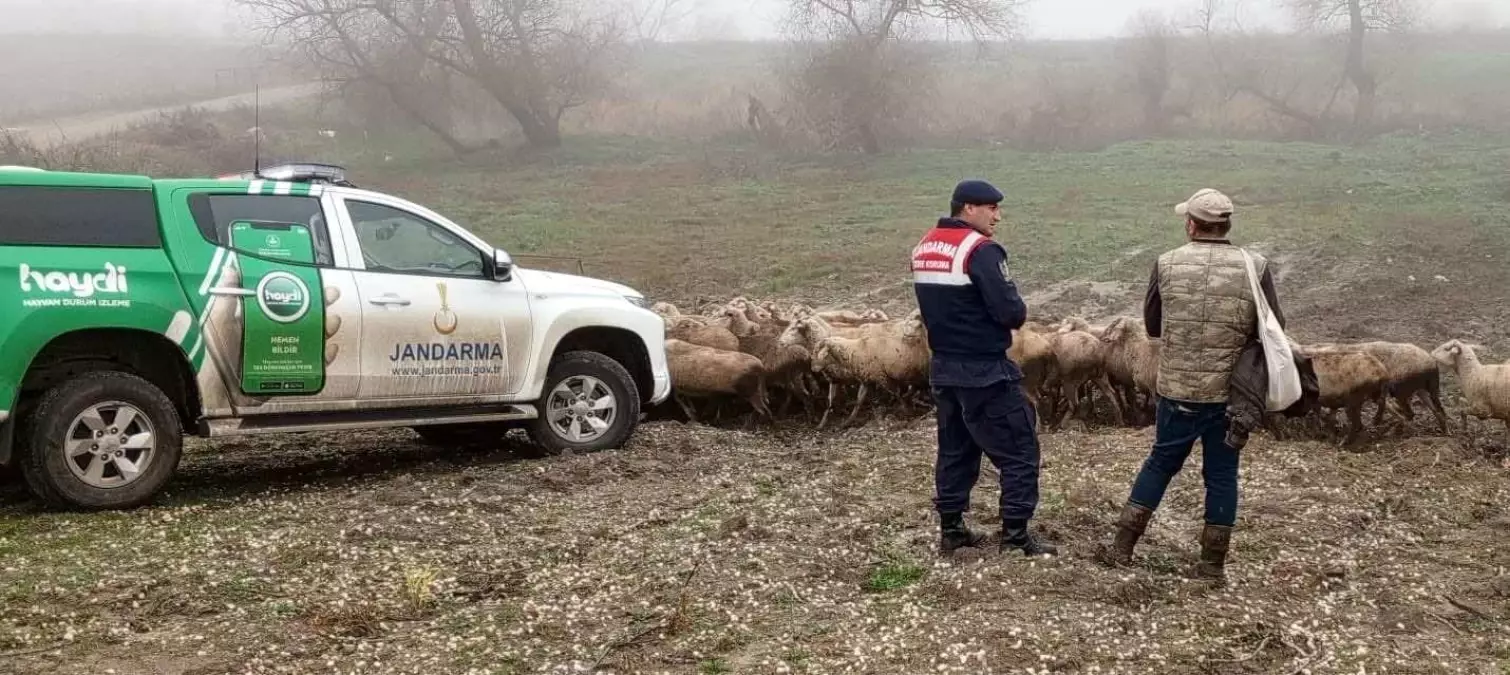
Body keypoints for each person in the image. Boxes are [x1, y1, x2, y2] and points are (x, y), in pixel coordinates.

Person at [1098, 188, 1286, 581]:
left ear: (1191, 224)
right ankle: (1212, 565)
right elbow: (1275, 327)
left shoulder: (1166, 263)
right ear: (1226, 225)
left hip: (1178, 390)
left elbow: (1152, 327)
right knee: (1221, 474)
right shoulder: (1255, 265)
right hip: (1230, 396)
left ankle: (1122, 547)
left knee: (1161, 462)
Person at [910, 179, 1056, 558]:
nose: (998, 216)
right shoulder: (980, 250)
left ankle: (953, 530)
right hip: (984, 370)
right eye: (992, 208)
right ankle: (1016, 536)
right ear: (969, 209)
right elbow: (1011, 312)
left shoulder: (925, 247)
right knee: (1021, 449)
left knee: (955, 448)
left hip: (942, 367)